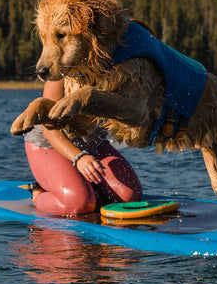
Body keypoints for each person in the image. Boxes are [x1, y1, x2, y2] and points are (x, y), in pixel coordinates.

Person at [23, 79, 142, 215]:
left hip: (94, 144)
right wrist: (79, 157)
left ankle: (87, 187)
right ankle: (38, 193)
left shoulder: (119, 71)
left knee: (130, 197)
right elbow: (49, 129)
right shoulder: (60, 71)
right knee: (79, 204)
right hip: (49, 146)